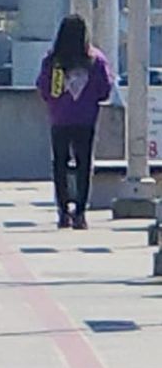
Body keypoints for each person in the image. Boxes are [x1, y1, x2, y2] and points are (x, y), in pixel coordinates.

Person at [36, 13, 113, 229]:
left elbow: (45, 89)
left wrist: (59, 102)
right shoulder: (95, 60)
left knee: (60, 164)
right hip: (86, 120)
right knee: (84, 164)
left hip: (59, 119)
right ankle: (80, 212)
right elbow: (105, 89)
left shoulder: (53, 62)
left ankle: (63, 211)